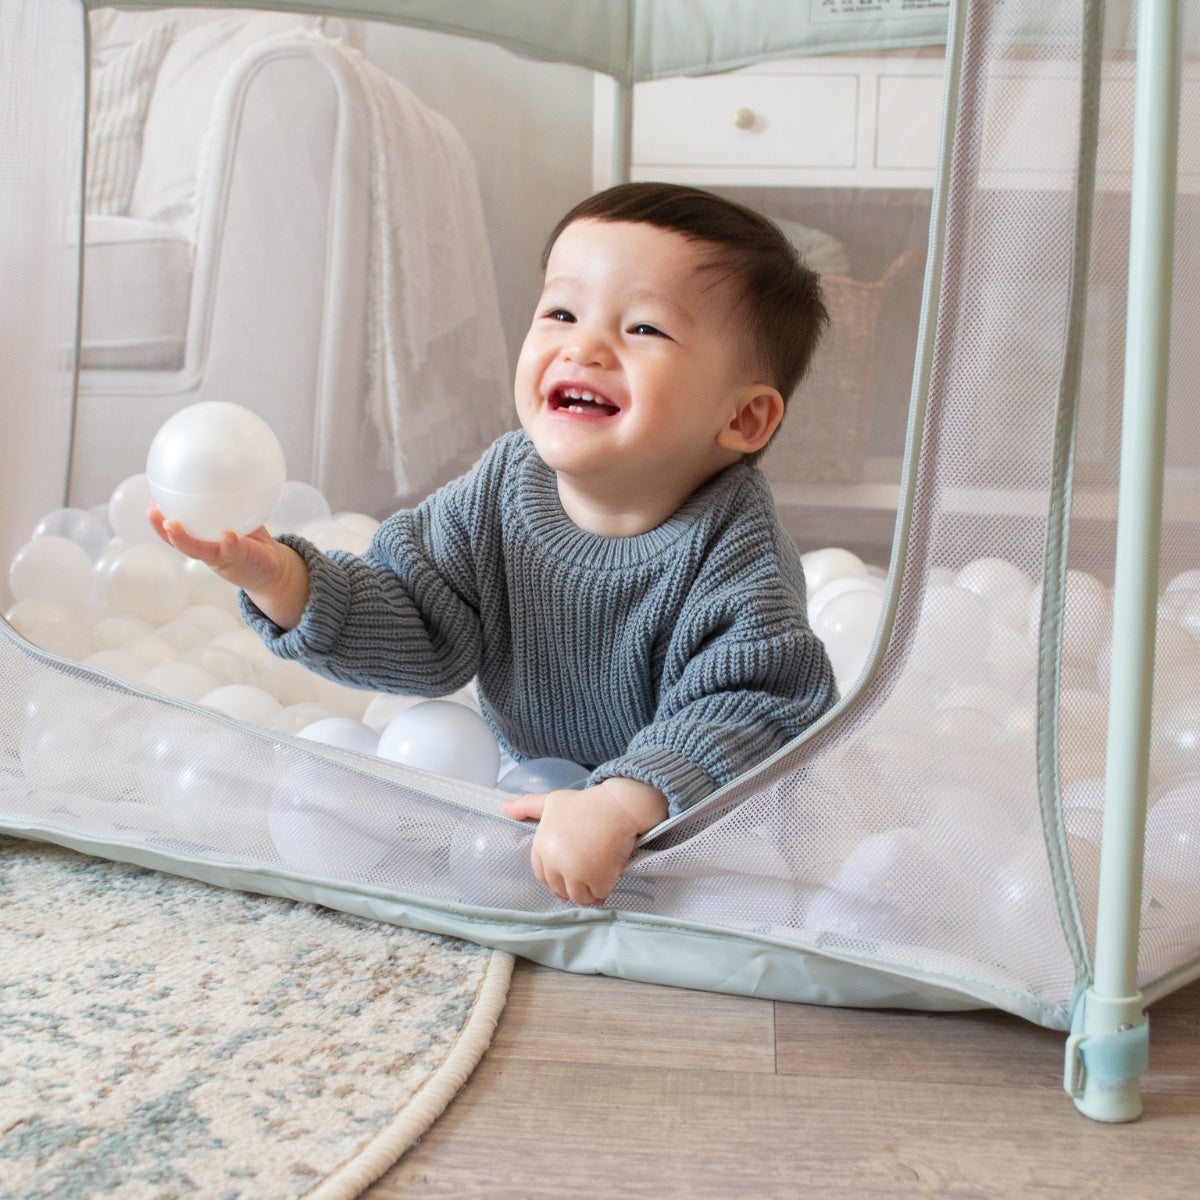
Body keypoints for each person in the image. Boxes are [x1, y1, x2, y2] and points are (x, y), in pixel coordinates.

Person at [150, 182, 838, 907]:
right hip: (526, 803)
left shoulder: (732, 549)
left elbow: (754, 705)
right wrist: (287, 582)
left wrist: (624, 803)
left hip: (675, 826)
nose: (585, 345)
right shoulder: (503, 485)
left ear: (745, 418)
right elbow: (419, 616)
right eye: (561, 312)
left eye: (644, 329)